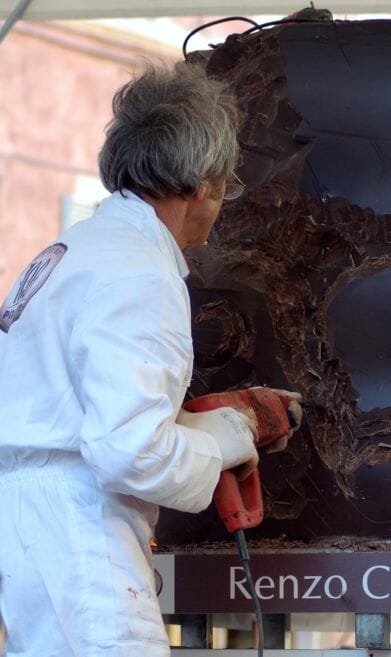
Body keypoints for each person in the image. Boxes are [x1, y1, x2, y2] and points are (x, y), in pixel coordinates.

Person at [0, 60, 296, 656]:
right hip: (82, 533)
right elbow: (130, 453)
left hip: (35, 522)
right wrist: (229, 437)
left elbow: (88, 419)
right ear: (204, 182)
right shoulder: (139, 273)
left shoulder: (73, 250)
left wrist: (199, 426)